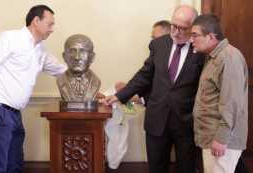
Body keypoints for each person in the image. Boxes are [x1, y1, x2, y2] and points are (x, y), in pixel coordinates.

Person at [102, 5, 205, 173]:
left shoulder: (201, 49)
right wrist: (119, 96)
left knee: (187, 168)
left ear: (193, 28)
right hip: (157, 120)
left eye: (183, 28)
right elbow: (144, 76)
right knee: (156, 168)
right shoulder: (159, 44)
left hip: (186, 122)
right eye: (174, 26)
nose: (176, 32)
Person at [0, 5, 67, 173]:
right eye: (50, 24)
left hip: (15, 114)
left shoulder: (40, 50)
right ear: (36, 21)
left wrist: (97, 92)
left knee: (15, 165)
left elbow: (63, 71)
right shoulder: (11, 38)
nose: (52, 29)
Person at [190, 14, 248, 173]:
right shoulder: (213, 57)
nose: (191, 40)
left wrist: (221, 138)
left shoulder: (229, 58)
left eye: (195, 35)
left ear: (210, 36)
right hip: (212, 137)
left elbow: (231, 103)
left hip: (221, 140)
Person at [57, 34, 101, 102]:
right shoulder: (60, 80)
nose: (77, 57)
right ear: (64, 56)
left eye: (82, 51)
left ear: (92, 57)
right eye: (72, 51)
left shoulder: (96, 82)